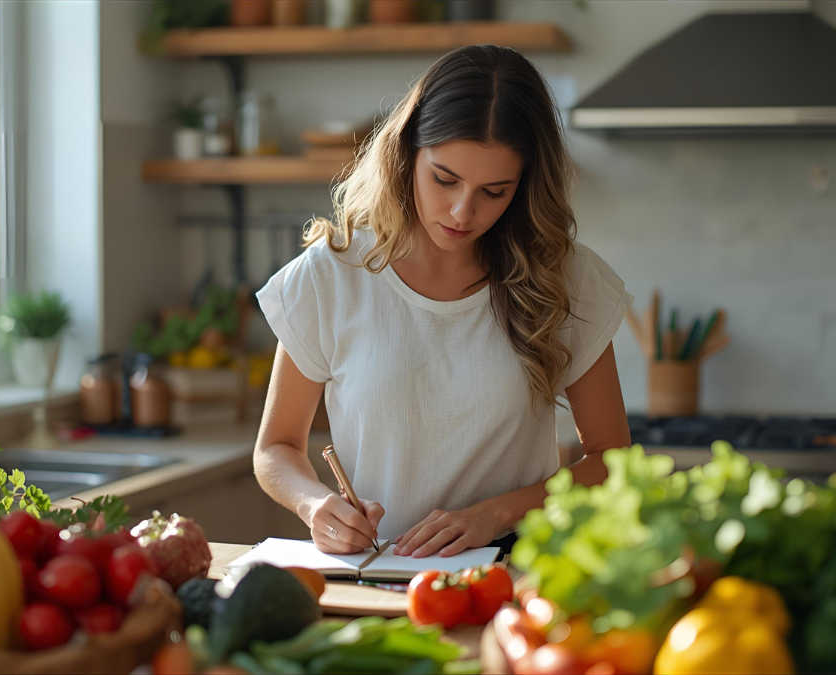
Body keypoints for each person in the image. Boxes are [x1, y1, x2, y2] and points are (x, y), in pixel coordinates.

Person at [253, 44, 632, 559]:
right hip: (376, 575)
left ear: (523, 187)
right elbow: (275, 449)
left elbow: (610, 459)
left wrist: (496, 514)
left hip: (517, 572)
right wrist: (314, 504)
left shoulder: (565, 278)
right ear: (407, 153)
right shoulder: (331, 276)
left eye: (494, 191)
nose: (462, 211)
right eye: (444, 179)